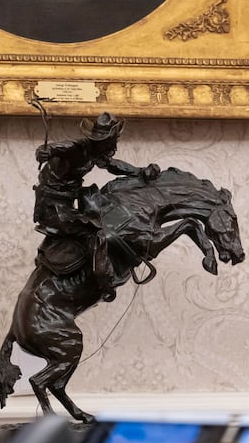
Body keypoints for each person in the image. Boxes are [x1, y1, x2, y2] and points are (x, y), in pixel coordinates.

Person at [33, 112, 159, 302]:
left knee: (108, 214)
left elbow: (113, 165)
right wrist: (45, 152)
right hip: (53, 208)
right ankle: (103, 280)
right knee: (96, 232)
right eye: (111, 142)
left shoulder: (95, 153)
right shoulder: (75, 148)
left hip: (69, 201)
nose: (113, 147)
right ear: (101, 140)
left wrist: (140, 172)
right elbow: (53, 149)